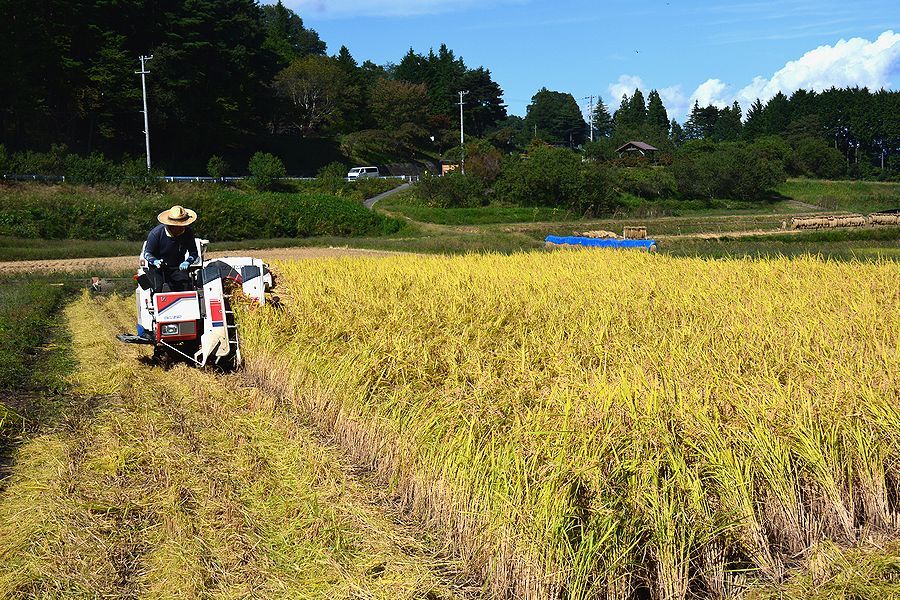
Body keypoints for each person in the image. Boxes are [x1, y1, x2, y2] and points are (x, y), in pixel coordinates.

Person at [144, 205, 199, 292]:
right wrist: (154, 261)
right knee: (157, 289)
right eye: (178, 226)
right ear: (171, 225)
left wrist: (187, 262)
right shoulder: (156, 233)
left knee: (186, 287)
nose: (181, 227)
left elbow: (194, 253)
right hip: (157, 269)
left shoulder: (188, 232)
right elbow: (147, 253)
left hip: (178, 267)